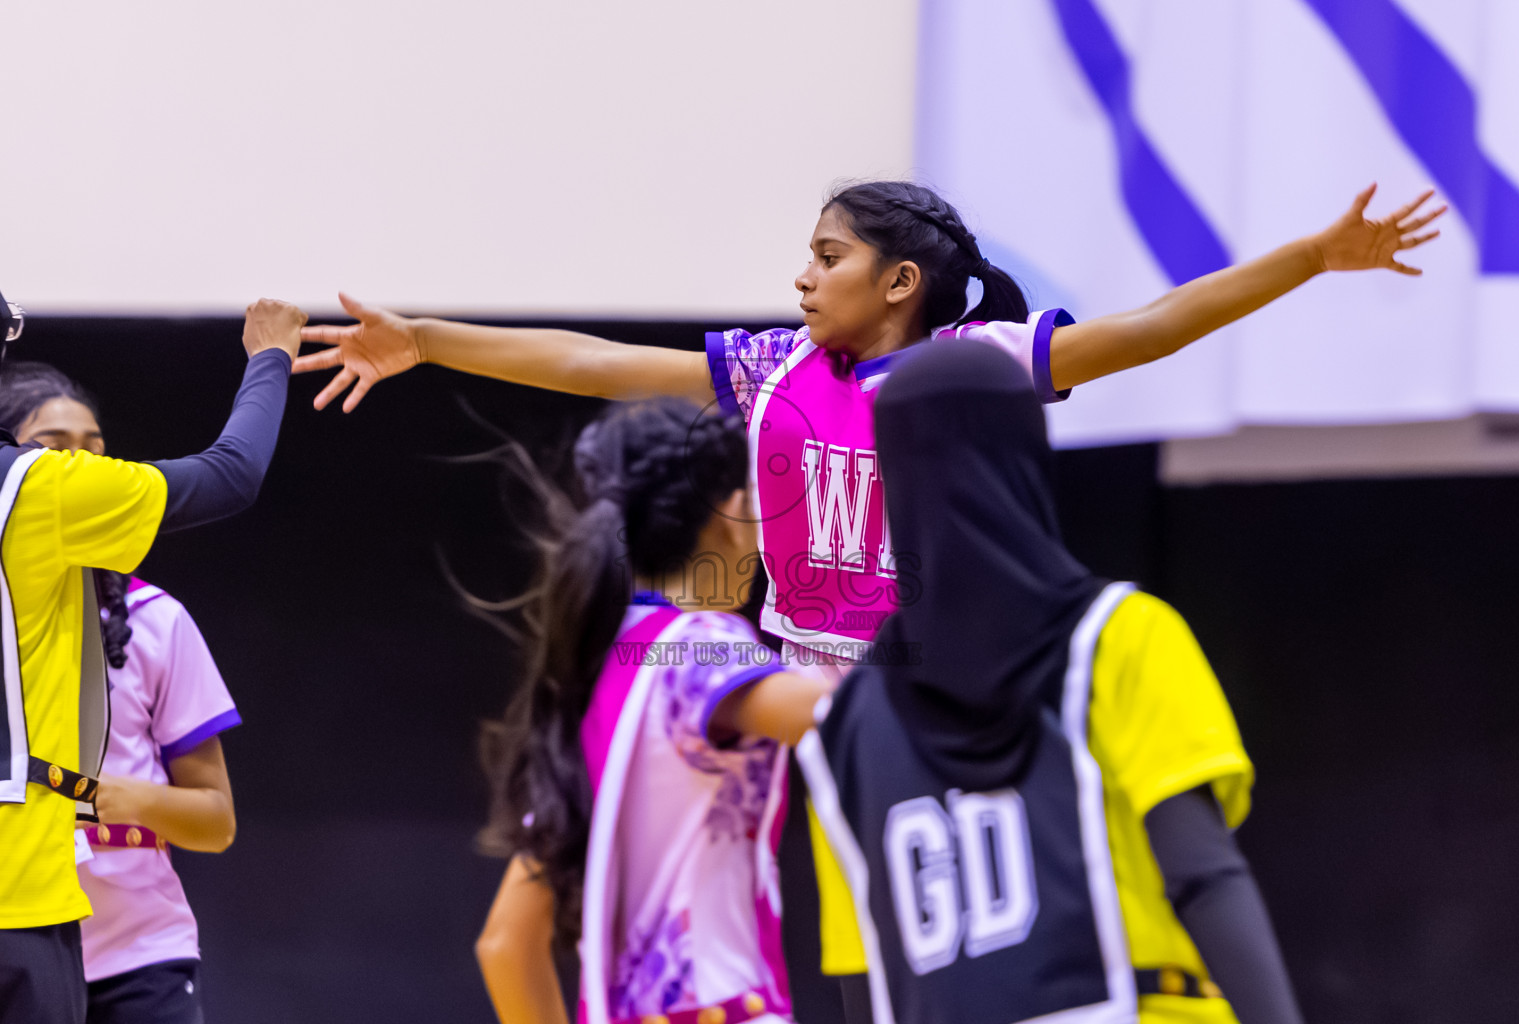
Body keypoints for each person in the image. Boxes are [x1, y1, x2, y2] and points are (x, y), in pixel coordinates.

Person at [293, 179, 1438, 1019]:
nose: (801, 274)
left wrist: (1311, 256)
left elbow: (1149, 330)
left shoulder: (973, 365)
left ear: (898, 282)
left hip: (922, 691)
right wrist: (428, 342)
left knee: (928, 920)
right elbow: (595, 363)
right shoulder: (777, 370)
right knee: (754, 901)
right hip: (797, 683)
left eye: (826, 254)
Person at [797, 339, 1301, 1024]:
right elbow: (1202, 875)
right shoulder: (1117, 636)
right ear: (1026, 456)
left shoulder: (843, 727)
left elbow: (866, 985)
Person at [471, 399, 831, 1024]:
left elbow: (505, 944)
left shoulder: (600, 665)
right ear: (738, 513)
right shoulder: (703, 646)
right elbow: (857, 715)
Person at [0, 296, 303, 1024]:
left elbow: (214, 817)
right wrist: (271, 358)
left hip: (132, 944)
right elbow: (231, 474)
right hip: (19, 899)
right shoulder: (30, 490)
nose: (78, 455)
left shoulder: (154, 619)